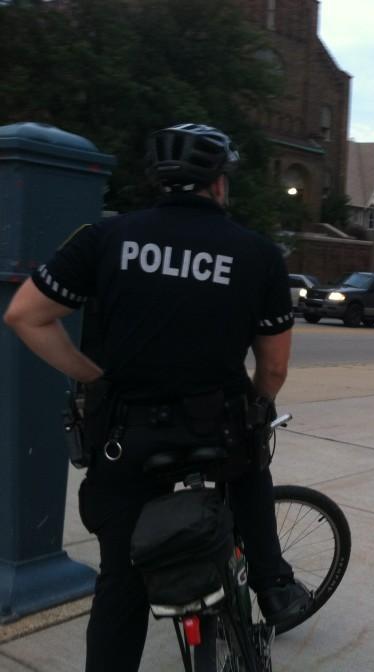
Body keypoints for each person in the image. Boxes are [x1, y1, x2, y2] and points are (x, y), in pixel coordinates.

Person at [3, 123, 309, 672]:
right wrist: (257, 408)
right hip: (218, 433)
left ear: (159, 182)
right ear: (218, 185)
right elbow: (275, 366)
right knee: (248, 469)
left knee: (121, 582)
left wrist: (93, 376)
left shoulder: (104, 238)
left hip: (128, 438)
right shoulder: (258, 254)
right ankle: (274, 586)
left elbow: (25, 315)